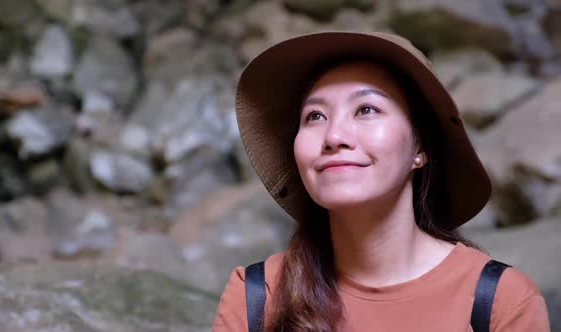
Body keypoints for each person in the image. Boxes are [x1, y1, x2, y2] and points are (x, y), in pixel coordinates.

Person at [212, 32, 550, 331]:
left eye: (366, 110)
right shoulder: (257, 295)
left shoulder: (499, 303)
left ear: (420, 147)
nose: (334, 136)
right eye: (315, 116)